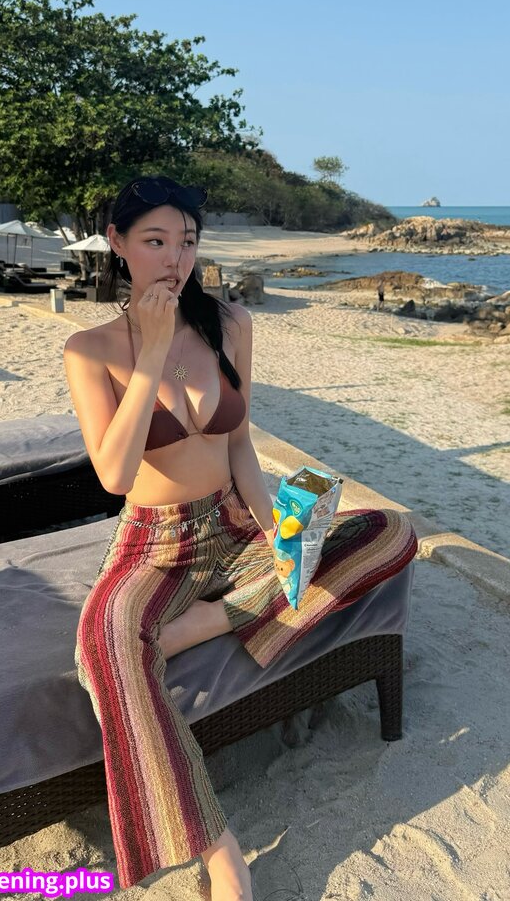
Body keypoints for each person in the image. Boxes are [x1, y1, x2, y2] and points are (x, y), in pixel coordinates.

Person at [63, 175, 418, 901]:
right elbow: (114, 475)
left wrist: (280, 539)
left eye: (187, 242)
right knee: (103, 645)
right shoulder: (90, 349)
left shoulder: (230, 324)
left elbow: (241, 448)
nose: (175, 259)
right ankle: (218, 849)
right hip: (155, 543)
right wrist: (151, 353)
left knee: (389, 530)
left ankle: (214, 619)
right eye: (155, 241)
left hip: (232, 519)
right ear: (118, 244)